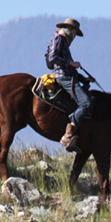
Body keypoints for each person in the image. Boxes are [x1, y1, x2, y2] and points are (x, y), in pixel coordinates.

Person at [46, 18, 94, 152]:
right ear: (70, 29)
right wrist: (71, 63)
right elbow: (53, 58)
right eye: (74, 32)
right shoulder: (59, 39)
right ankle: (68, 136)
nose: (74, 36)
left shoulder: (63, 41)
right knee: (86, 103)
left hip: (67, 75)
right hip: (64, 77)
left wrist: (84, 79)